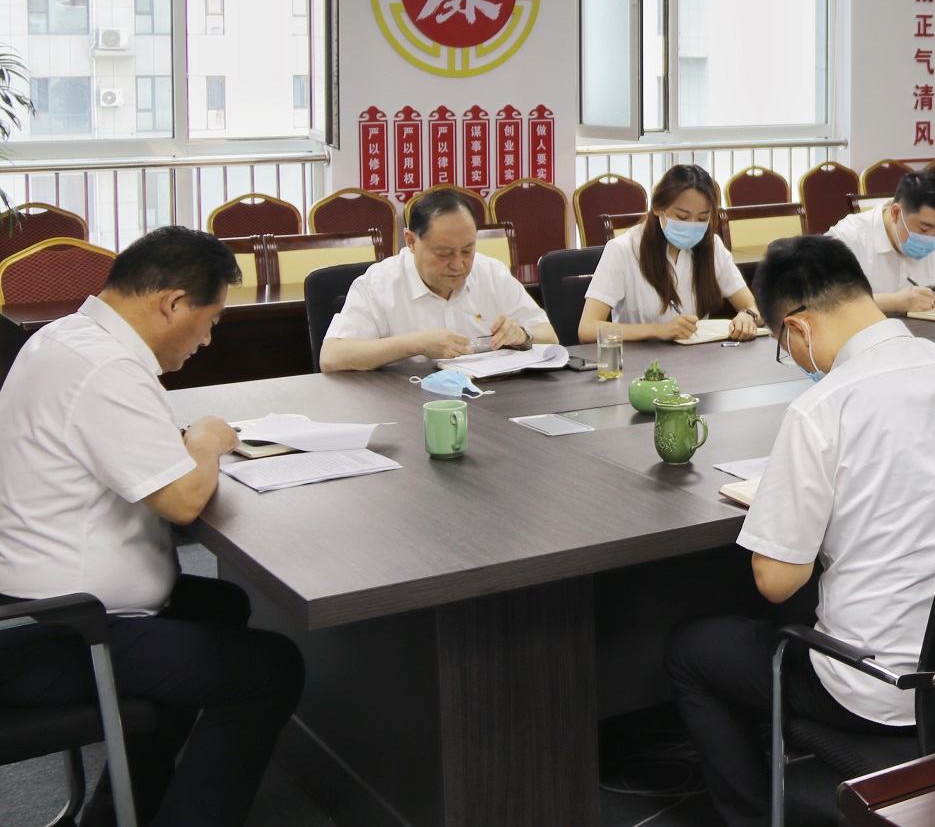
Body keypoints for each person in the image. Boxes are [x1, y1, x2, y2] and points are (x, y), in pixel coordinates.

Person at [663, 236, 935, 827]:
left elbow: (776, 582)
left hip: (880, 687)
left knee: (691, 647)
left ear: (797, 327)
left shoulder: (822, 407)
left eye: (784, 346)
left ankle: (754, 817)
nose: (794, 358)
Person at [0, 227, 304, 827]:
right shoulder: (105, 368)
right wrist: (206, 439)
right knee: (271, 669)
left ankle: (121, 811)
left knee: (218, 607)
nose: (208, 339)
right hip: (57, 629)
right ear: (173, 303)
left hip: (38, 604)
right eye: (209, 321)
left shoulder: (66, 337)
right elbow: (183, 501)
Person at [320, 187, 554, 371]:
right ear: (411, 241)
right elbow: (331, 357)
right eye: (444, 254)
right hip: (404, 403)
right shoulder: (379, 284)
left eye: (467, 251)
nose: (458, 265)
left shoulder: (492, 273)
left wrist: (524, 336)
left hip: (487, 400)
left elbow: (550, 337)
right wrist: (414, 344)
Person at [578, 165, 761, 342]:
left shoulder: (711, 246)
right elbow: (587, 329)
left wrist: (748, 315)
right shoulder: (623, 249)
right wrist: (658, 330)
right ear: (658, 208)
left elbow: (756, 307)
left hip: (698, 357)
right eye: (682, 217)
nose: (692, 225)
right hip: (641, 359)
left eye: (702, 218)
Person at [826, 170, 935, 314]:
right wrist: (895, 303)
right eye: (924, 228)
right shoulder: (849, 237)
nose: (932, 237)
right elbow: (822, 300)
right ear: (896, 213)